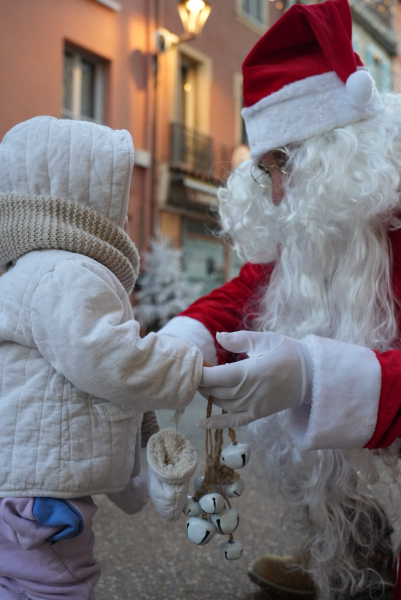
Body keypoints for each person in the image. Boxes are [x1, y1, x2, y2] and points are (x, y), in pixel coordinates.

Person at [159, 0, 401, 597]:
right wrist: (176, 343)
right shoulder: (324, 226)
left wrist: (317, 378)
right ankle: (344, 558)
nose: (275, 193)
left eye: (283, 163)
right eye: (265, 169)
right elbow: (246, 290)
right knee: (310, 460)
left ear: (346, 150)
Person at [0, 116, 204, 599]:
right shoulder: (65, 272)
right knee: (56, 584)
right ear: (86, 203)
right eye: (121, 204)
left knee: (20, 576)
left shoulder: (34, 270)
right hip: (40, 490)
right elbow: (107, 358)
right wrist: (184, 365)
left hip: (27, 478)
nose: (126, 221)